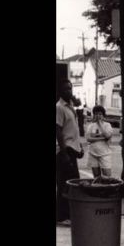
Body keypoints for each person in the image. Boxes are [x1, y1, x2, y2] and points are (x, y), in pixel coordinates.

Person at [55, 80, 83, 224]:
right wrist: (65, 153)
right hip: (64, 151)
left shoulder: (70, 106)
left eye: (70, 89)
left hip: (72, 149)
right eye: (66, 89)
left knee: (72, 183)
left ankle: (68, 214)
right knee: (65, 184)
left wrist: (79, 148)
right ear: (60, 91)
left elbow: (73, 130)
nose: (69, 91)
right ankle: (61, 216)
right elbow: (58, 131)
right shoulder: (59, 107)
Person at [84, 105, 114, 178]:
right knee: (96, 177)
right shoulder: (91, 126)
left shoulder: (107, 125)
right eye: (96, 114)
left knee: (107, 176)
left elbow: (107, 135)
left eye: (100, 114)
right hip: (93, 154)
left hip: (105, 154)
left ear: (103, 115)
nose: (98, 116)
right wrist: (102, 138)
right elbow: (88, 138)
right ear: (94, 115)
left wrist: (100, 124)